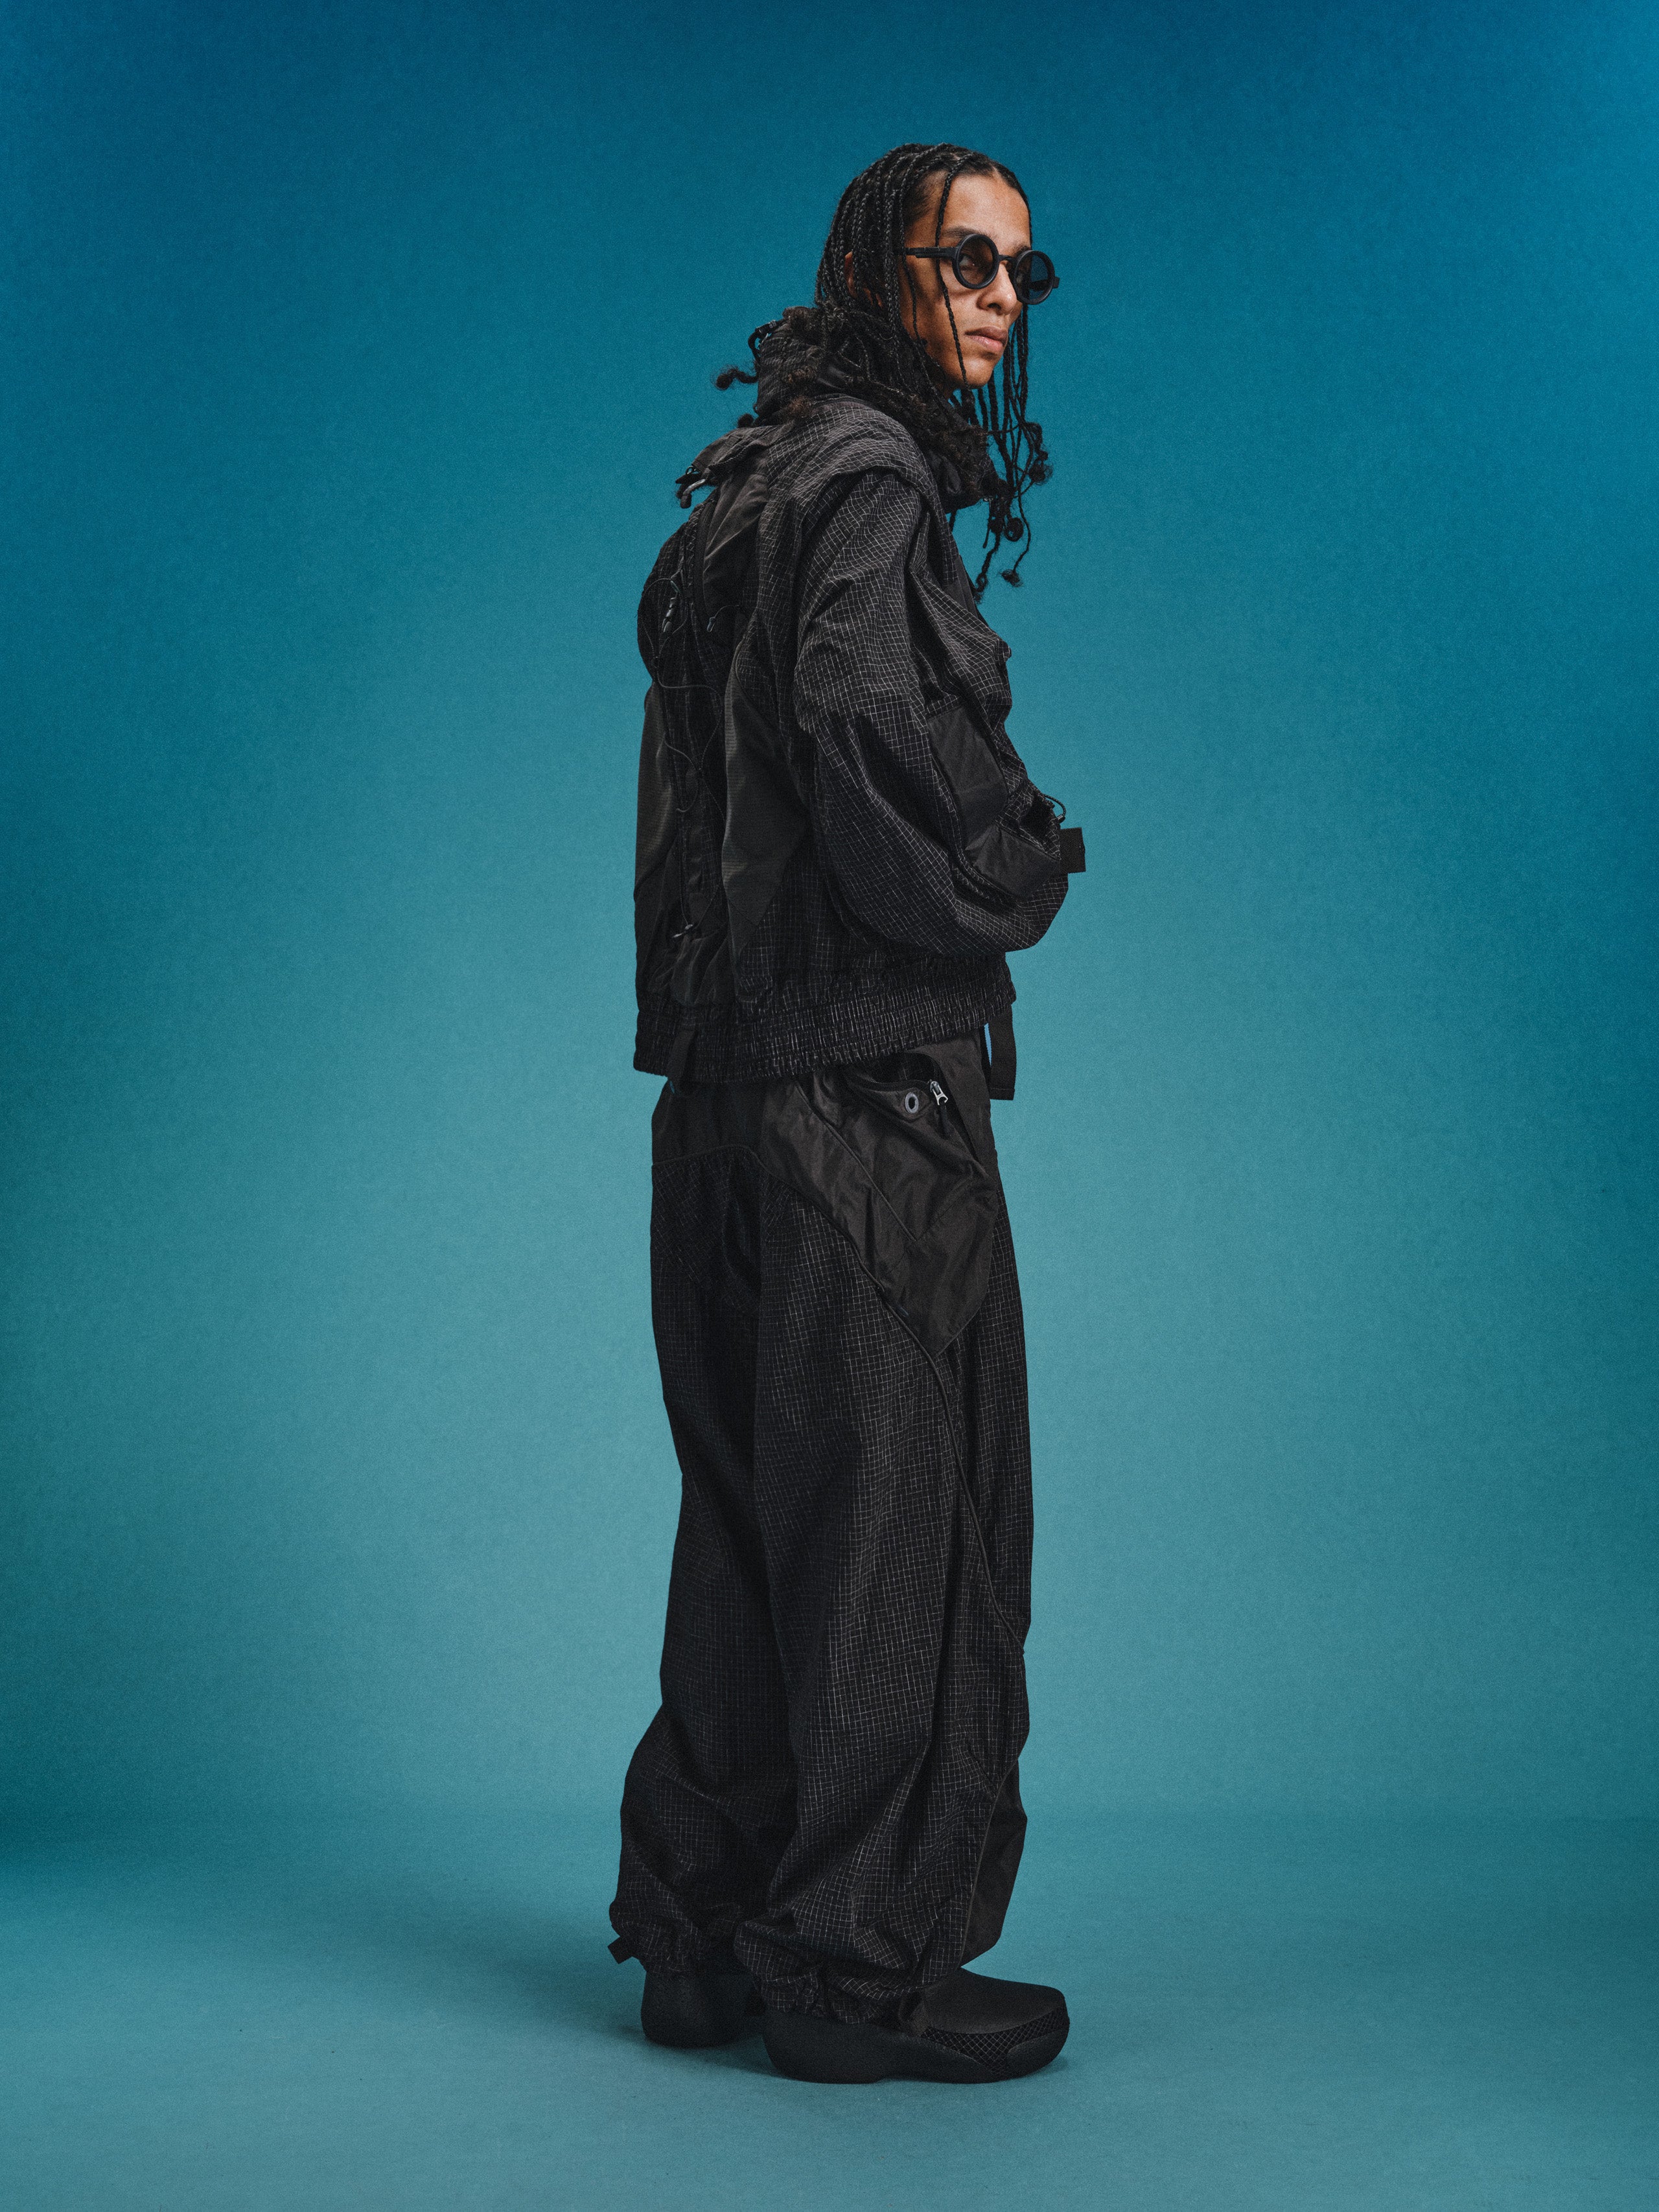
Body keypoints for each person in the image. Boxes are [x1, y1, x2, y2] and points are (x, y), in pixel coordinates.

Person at [607, 141, 1082, 2086]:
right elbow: (869, 739)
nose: (1000, 298)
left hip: (719, 1112)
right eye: (966, 259)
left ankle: (702, 1942)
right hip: (863, 1108)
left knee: (747, 1523)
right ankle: (855, 1975)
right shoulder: (871, 482)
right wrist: (1014, 864)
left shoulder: (756, 478)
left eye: (1024, 273)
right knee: (904, 1523)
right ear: (879, 263)